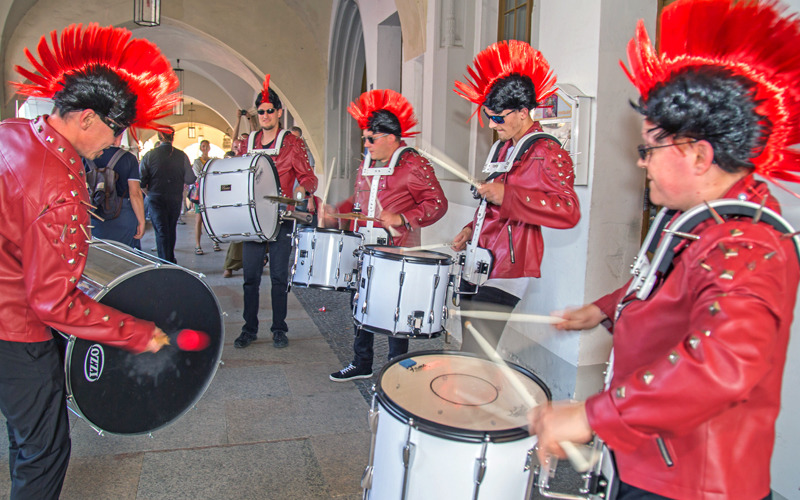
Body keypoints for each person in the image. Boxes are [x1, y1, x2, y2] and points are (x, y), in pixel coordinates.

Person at [528, 1, 800, 499]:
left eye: (649, 148)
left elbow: (721, 365)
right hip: (653, 453)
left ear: (699, 154)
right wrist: (604, 309)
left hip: (694, 478)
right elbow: (662, 287)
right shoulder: (691, 218)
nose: (641, 164)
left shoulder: (746, 242)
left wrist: (592, 414)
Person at [0, 23, 172, 500]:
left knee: (23, 436)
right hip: (15, 329)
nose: (115, 142)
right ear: (87, 117)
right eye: (116, 130)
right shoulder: (59, 181)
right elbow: (53, 301)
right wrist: (136, 332)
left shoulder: (13, 133)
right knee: (45, 451)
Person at [450, 40, 580, 354]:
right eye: (489, 117)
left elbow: (569, 210)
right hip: (479, 258)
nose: (492, 125)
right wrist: (471, 229)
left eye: (498, 118)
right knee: (472, 348)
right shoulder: (502, 148)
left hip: (510, 265)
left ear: (523, 112)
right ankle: (476, 399)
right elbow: (490, 203)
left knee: (476, 351)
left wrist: (510, 195)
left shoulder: (548, 151)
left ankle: (476, 400)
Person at [329, 89, 448, 381]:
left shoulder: (413, 164)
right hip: (364, 247)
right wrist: (336, 211)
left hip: (397, 251)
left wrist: (404, 217)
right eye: (364, 138)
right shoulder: (365, 165)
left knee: (396, 309)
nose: (366, 144)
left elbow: (437, 204)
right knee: (360, 303)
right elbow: (358, 204)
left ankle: (398, 368)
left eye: (371, 138)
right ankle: (362, 362)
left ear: (391, 137)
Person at [233, 75, 317, 349]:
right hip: (253, 219)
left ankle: (279, 328)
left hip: (282, 218)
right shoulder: (248, 143)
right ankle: (249, 328)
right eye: (261, 111)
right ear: (257, 114)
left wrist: (304, 191)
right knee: (250, 278)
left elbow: (308, 177)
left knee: (279, 278)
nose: (266, 115)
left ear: (279, 113)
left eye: (270, 110)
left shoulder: (292, 143)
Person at [139, 127, 196, 264]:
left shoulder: (149, 155)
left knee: (161, 230)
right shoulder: (181, 155)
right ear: (173, 137)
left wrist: (148, 193)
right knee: (171, 228)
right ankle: (169, 259)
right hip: (174, 198)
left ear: (160, 136)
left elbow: (141, 180)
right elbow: (190, 179)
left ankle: (165, 261)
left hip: (156, 197)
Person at [83, 144, 146, 248]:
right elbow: (135, 193)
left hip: (94, 214)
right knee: (125, 254)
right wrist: (141, 221)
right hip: (122, 214)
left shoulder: (85, 156)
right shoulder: (128, 158)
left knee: (101, 255)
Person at [191, 139, 220, 255]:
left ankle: (215, 240)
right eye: (203, 146)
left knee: (213, 218)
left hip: (211, 193)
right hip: (200, 193)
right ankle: (197, 244)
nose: (205, 148)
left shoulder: (212, 161)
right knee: (199, 219)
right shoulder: (197, 162)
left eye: (207, 146)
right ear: (200, 148)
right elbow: (199, 175)